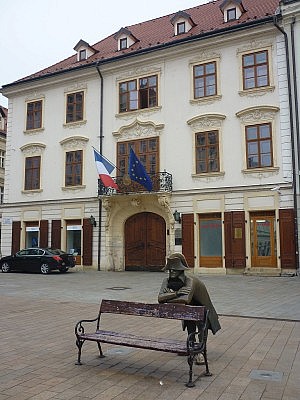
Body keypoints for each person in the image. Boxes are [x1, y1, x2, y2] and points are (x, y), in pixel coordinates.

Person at [158, 252, 221, 364]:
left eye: (175, 269)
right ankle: (191, 346)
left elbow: (185, 299)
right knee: (189, 325)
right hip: (189, 308)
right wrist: (176, 294)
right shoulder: (166, 281)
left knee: (202, 327)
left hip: (202, 306)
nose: (172, 271)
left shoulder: (190, 281)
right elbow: (159, 298)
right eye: (170, 269)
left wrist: (167, 297)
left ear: (181, 270)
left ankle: (200, 351)